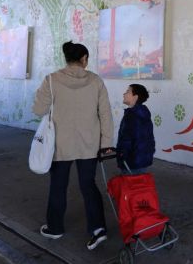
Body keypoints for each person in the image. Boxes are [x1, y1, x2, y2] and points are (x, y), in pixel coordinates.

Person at [33, 41, 114, 251]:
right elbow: (105, 114)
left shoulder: (51, 80)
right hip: (89, 145)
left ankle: (55, 227)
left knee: (58, 186)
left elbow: (38, 109)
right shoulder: (96, 81)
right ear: (84, 59)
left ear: (67, 59)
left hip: (60, 145)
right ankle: (97, 229)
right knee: (88, 185)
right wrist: (105, 144)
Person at [116, 84, 155, 175]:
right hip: (142, 159)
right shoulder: (142, 113)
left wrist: (122, 155)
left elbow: (127, 139)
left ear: (135, 97)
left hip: (132, 161)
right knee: (139, 186)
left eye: (128, 92)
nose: (124, 94)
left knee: (132, 187)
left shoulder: (132, 115)